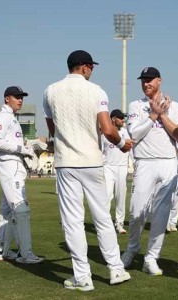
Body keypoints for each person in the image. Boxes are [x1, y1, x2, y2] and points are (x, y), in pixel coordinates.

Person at [43, 50, 132, 291]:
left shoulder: (50, 91)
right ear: (83, 67)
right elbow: (107, 128)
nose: (92, 71)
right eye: (91, 67)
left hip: (66, 162)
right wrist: (123, 144)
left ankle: (82, 277)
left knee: (72, 222)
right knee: (102, 218)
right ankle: (116, 269)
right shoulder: (96, 91)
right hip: (92, 161)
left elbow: (52, 130)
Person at [121, 67, 178, 276]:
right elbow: (134, 133)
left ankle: (151, 258)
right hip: (144, 163)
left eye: (150, 80)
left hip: (168, 163)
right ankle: (132, 249)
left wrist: (163, 115)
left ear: (159, 81)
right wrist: (153, 115)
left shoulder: (175, 106)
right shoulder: (136, 105)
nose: (146, 83)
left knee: (161, 215)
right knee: (136, 211)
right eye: (143, 80)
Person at [0, 86, 44, 264]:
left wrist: (30, 145)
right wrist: (23, 149)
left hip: (13, 165)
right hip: (9, 166)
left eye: (22, 97)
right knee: (21, 209)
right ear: (7, 98)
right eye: (17, 97)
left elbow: (9, 142)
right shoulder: (2, 118)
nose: (20, 100)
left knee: (6, 210)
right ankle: (25, 253)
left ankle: (1, 249)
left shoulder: (12, 119)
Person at [102, 109, 131, 234]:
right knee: (107, 196)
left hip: (122, 167)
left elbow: (131, 150)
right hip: (108, 167)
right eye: (120, 118)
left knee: (121, 197)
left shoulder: (126, 133)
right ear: (113, 119)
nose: (123, 120)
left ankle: (119, 224)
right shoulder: (105, 133)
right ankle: (106, 224)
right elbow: (101, 151)